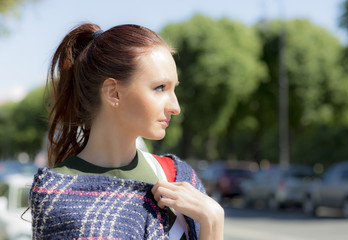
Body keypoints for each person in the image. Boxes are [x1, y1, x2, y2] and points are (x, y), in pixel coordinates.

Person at [29, 23, 224, 240]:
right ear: (114, 93)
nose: (175, 107)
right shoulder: (57, 193)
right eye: (160, 88)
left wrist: (212, 219)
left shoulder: (178, 177)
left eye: (174, 89)